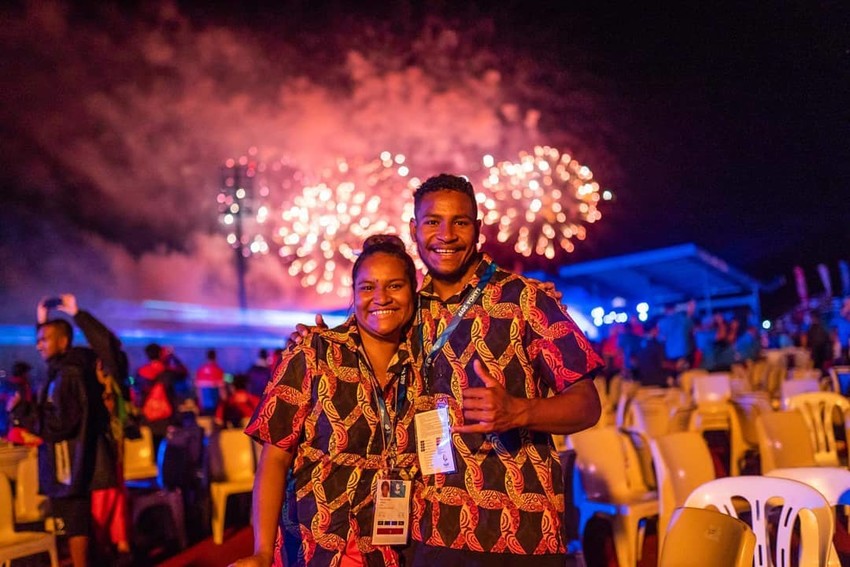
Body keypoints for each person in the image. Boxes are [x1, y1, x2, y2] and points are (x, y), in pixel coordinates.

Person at [403, 174, 603, 567]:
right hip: (430, 527)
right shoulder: (403, 309)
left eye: (460, 222)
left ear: (478, 230)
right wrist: (310, 337)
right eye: (432, 222)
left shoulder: (527, 299)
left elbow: (587, 405)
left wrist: (519, 411)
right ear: (414, 229)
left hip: (518, 530)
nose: (446, 235)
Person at [232, 235, 420, 567]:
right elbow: (274, 459)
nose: (381, 298)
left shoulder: (424, 367)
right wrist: (261, 551)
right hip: (313, 548)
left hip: (389, 552)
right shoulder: (315, 353)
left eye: (395, 286)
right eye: (367, 288)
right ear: (353, 293)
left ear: (412, 292)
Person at [16, 297, 118, 567]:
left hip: (68, 465)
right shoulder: (64, 368)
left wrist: (22, 411)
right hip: (71, 462)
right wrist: (43, 319)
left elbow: (60, 424)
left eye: (44, 339)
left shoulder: (68, 374)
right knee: (77, 523)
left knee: (75, 523)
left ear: (63, 342)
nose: (38, 345)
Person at [195, 348, 225, 415]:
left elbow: (198, 390)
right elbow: (222, 391)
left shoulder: (200, 370)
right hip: (215, 403)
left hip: (203, 404)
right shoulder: (218, 370)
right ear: (215, 357)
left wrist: (199, 403)